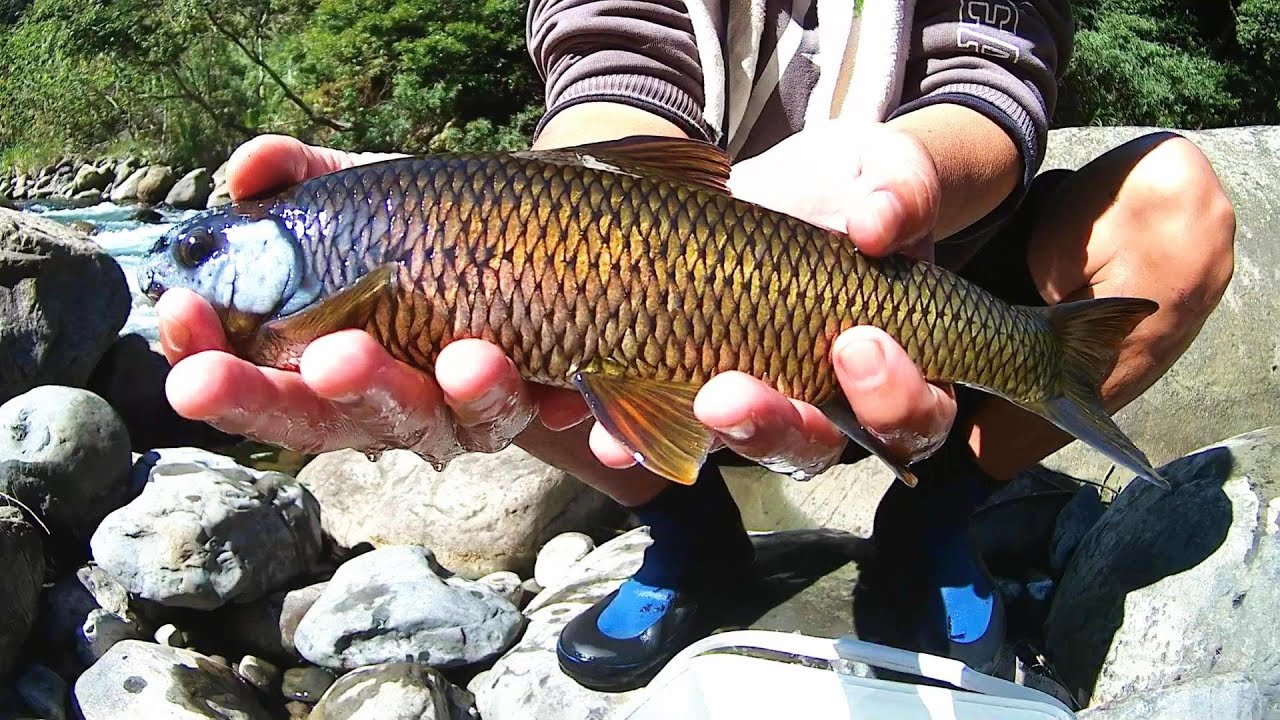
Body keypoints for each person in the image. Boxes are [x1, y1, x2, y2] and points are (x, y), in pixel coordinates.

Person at [155, 0, 1236, 694]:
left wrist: (891, 178)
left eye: (203, 249)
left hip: (926, 250)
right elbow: (608, 70)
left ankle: (932, 516)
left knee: (1177, 208)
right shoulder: (333, 246)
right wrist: (580, 212)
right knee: (505, 349)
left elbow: (991, 85)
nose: (189, 264)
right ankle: (689, 539)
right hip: (693, 304)